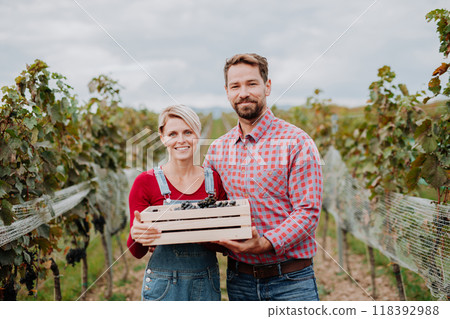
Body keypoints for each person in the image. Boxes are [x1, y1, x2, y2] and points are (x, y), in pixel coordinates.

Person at [204, 53, 323, 301]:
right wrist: (160, 229)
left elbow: (307, 211)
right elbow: (204, 205)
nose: (243, 92)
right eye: (235, 86)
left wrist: (266, 242)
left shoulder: (297, 142)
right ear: (227, 92)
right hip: (240, 281)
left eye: (252, 84)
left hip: (291, 281)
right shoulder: (217, 150)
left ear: (267, 86)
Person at [127, 104, 227, 301]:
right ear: (162, 137)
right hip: (163, 286)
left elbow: (226, 246)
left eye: (187, 132)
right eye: (173, 133)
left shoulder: (213, 181)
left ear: (197, 135)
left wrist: (198, 233)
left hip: (205, 284)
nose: (181, 140)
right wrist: (137, 234)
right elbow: (136, 252)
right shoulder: (145, 182)